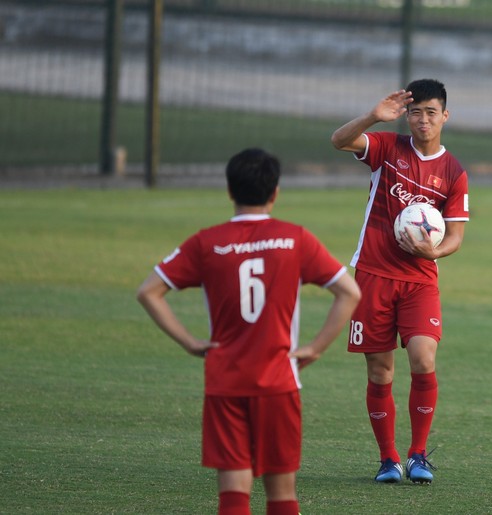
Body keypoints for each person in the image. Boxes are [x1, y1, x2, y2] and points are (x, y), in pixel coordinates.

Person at [136, 148, 361, 515]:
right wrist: (316, 347)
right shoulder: (295, 239)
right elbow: (349, 293)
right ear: (275, 193)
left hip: (225, 380)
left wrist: (190, 342)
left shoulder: (206, 242)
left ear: (229, 190)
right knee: (282, 494)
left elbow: (148, 292)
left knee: (234, 491)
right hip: (278, 381)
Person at [330, 79, 469, 484]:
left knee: (424, 358)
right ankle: (388, 459)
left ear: (445, 116)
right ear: (406, 115)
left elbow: (456, 236)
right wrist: (374, 116)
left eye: (430, 112)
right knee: (380, 373)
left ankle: (418, 455)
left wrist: (433, 253)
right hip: (372, 274)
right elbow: (339, 141)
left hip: (420, 279)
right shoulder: (387, 148)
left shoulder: (454, 172)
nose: (422, 120)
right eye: (415, 112)